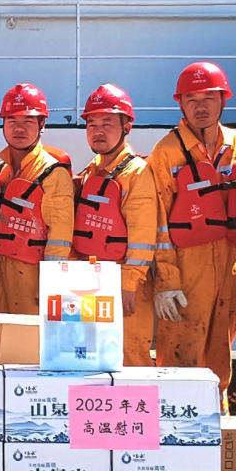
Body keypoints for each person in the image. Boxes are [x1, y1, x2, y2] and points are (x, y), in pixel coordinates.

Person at [148, 61, 236, 401]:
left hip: (229, 269)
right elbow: (159, 222)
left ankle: (217, 419)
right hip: (186, 271)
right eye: (191, 99)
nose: (200, 106)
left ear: (223, 99)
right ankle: (176, 422)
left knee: (221, 354)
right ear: (180, 103)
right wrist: (167, 282)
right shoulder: (166, 153)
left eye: (209, 97)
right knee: (180, 355)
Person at [71, 83, 159, 367]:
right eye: (92, 124)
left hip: (123, 282)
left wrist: (129, 284)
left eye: (107, 123)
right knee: (92, 356)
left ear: (126, 127)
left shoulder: (137, 173)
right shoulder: (91, 170)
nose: (98, 131)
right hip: (90, 280)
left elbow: (143, 235)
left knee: (130, 357)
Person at [0, 82, 74, 315]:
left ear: (42, 124)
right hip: (2, 278)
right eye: (12, 121)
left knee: (31, 338)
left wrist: (52, 286)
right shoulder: (0, 172)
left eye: (28, 121)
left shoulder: (53, 174)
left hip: (35, 285)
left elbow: (60, 237)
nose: (19, 129)